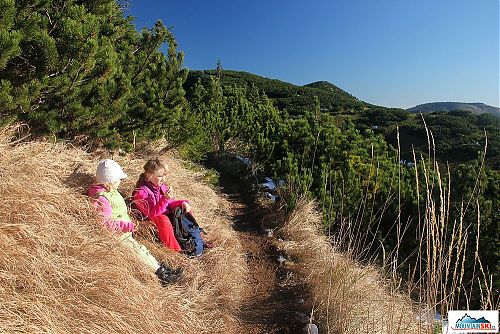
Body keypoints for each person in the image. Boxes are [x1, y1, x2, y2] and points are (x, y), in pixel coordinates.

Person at [87, 159, 182, 286]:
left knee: (141, 250)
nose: (120, 182)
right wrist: (130, 226)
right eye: (118, 180)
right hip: (117, 236)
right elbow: (105, 224)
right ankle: (162, 275)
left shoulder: (111, 192)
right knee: (138, 254)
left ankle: (162, 268)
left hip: (123, 233)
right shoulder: (102, 198)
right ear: (111, 181)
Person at [132, 158, 189, 252]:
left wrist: (182, 203)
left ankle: (193, 239)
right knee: (163, 219)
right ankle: (175, 251)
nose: (164, 179)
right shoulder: (141, 193)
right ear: (149, 175)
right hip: (147, 222)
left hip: (161, 216)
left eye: (165, 175)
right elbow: (151, 214)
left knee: (184, 209)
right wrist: (165, 198)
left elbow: (170, 204)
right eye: (160, 176)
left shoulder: (160, 186)